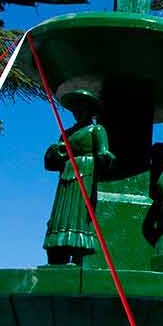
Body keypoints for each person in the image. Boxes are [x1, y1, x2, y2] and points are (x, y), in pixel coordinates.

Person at [42, 90, 113, 265]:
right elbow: (53, 160)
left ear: (91, 111)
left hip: (86, 172)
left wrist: (106, 157)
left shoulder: (96, 130)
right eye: (76, 109)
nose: (78, 113)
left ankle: (78, 250)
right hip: (67, 174)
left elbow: (103, 153)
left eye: (82, 109)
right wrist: (55, 152)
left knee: (80, 211)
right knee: (61, 212)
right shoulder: (67, 133)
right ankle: (58, 248)